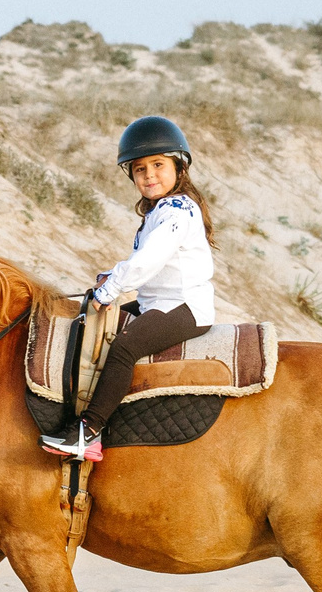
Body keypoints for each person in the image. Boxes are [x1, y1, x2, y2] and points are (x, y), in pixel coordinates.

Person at [41, 115, 217, 463]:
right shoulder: (160, 209)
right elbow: (146, 263)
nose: (149, 175)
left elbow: (149, 260)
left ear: (179, 167)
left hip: (185, 307)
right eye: (140, 169)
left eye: (158, 165)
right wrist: (110, 278)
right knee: (91, 325)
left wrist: (110, 291)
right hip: (156, 300)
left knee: (124, 348)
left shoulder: (179, 210)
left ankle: (88, 433)